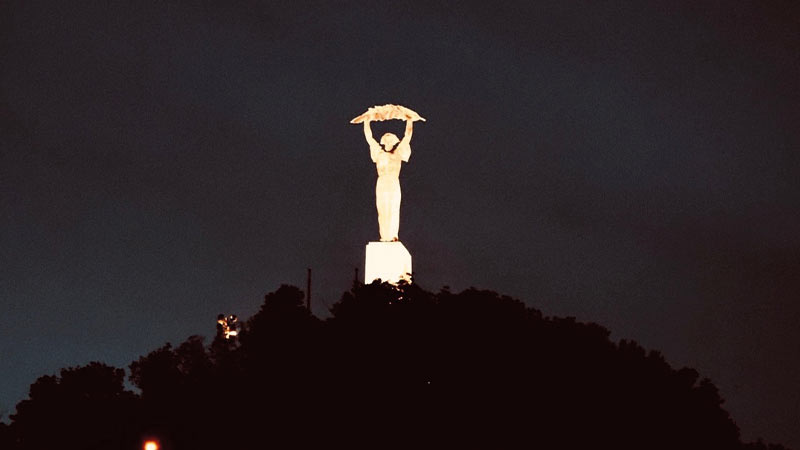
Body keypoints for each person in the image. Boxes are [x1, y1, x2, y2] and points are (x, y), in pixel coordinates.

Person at [363, 119, 413, 241]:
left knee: (394, 207)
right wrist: (366, 121)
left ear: (395, 141)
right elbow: (369, 138)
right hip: (382, 182)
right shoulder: (379, 153)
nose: (389, 142)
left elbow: (407, 137)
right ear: (383, 142)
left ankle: (393, 234)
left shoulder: (398, 153)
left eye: (391, 140)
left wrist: (409, 120)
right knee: (382, 208)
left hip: (393, 181)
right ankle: (384, 236)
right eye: (387, 140)